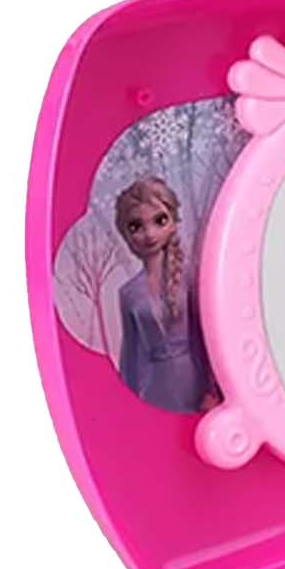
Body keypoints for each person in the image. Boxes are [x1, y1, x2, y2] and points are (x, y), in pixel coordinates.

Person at [113, 177, 216, 413]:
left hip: (195, 380)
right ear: (126, 234)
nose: (150, 234)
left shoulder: (189, 278)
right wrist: (128, 402)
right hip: (156, 387)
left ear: (173, 222)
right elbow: (131, 355)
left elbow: (206, 336)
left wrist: (214, 387)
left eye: (159, 221)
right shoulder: (128, 293)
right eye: (136, 226)